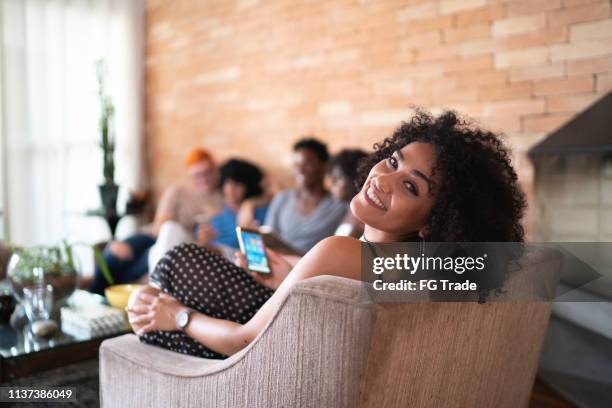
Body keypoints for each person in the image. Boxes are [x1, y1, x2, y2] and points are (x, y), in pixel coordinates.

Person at [127, 110, 527, 359]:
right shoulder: (412, 267)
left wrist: (176, 316)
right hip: (284, 337)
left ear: (434, 221)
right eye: (393, 161)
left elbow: (245, 340)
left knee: (174, 264)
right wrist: (295, 276)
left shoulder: (339, 250)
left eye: (411, 186)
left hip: (255, 357)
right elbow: (338, 286)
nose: (384, 179)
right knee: (175, 266)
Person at [89, 148, 223, 294]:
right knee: (115, 252)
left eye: (207, 173)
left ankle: (108, 295)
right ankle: (93, 295)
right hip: (153, 235)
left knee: (141, 265)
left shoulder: (222, 198)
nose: (203, 179)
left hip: (181, 244)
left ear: (215, 170)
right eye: (197, 175)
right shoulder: (178, 191)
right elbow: (161, 224)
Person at [148, 158, 268, 268]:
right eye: (227, 183)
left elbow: (273, 191)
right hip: (205, 257)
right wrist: (202, 242)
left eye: (236, 184)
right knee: (167, 232)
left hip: (232, 262)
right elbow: (198, 245)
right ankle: (159, 281)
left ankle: (159, 282)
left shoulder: (257, 213)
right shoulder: (217, 213)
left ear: (248, 186)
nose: (230, 189)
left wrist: (249, 204)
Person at [262, 138, 347, 254]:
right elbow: (268, 238)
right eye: (296, 164)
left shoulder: (339, 204)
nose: (300, 170)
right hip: (280, 264)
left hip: (316, 268)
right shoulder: (282, 199)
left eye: (307, 164)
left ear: (324, 166)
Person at [328, 148, 368, 238]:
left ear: (353, 179)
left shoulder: (361, 222)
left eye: (336, 179)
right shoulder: (347, 209)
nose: (332, 185)